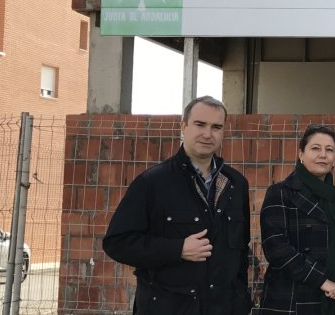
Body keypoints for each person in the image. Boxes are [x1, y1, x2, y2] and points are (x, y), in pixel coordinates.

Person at [103, 96, 252, 315]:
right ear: (183, 126)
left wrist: (240, 300)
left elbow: (241, 252)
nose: (208, 134)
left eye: (216, 127)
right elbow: (117, 243)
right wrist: (177, 249)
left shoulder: (235, 184)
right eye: (200, 124)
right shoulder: (153, 182)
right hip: (168, 306)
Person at [258, 124, 335, 314]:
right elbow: (277, 249)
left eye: (329, 150)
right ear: (301, 154)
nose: (323, 154)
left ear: (334, 160)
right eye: (315, 148)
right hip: (292, 301)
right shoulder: (281, 193)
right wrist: (323, 282)